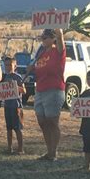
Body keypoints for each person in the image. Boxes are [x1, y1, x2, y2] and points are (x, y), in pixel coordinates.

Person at [27, 28, 66, 161]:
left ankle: (53, 152)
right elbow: (36, 68)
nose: (43, 40)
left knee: (52, 121)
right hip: (40, 90)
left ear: (53, 38)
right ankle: (48, 150)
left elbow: (61, 39)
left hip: (54, 90)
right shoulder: (41, 53)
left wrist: (59, 30)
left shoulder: (58, 52)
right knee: (42, 121)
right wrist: (31, 68)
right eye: (42, 38)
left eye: (45, 38)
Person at [1, 57, 25, 154]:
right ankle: (9, 147)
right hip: (7, 106)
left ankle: (20, 148)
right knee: (9, 128)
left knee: (17, 128)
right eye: (6, 65)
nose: (7, 67)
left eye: (10, 65)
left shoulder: (17, 77)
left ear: (15, 66)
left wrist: (15, 86)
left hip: (16, 106)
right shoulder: (4, 77)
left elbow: (24, 91)